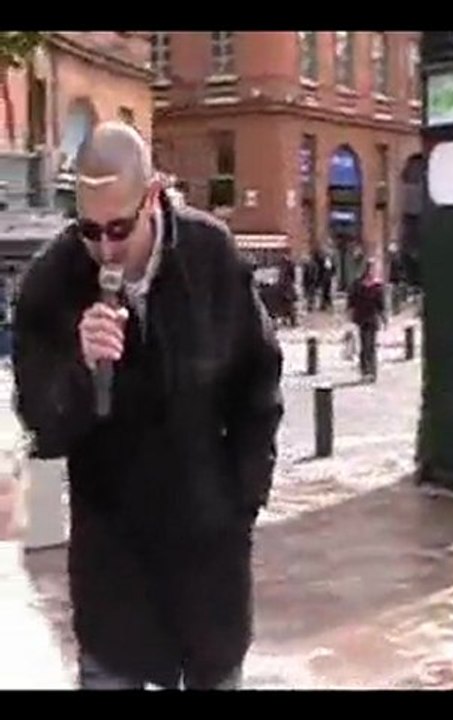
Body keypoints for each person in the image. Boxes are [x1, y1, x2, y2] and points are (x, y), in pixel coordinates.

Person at [12, 121, 284, 690]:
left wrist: (243, 500)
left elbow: (259, 382)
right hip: (115, 567)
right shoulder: (52, 284)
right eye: (89, 229)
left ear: (153, 197)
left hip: (208, 559)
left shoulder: (208, 255)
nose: (106, 247)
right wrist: (80, 369)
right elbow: (42, 425)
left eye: (119, 227)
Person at [347, 258, 385, 381]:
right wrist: (349, 316)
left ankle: (372, 371)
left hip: (372, 318)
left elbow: (381, 304)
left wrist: (384, 318)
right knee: (364, 345)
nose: (371, 271)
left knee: (371, 346)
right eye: (370, 268)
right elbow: (351, 302)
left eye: (373, 269)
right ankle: (365, 371)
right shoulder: (358, 285)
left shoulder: (377, 286)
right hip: (362, 318)